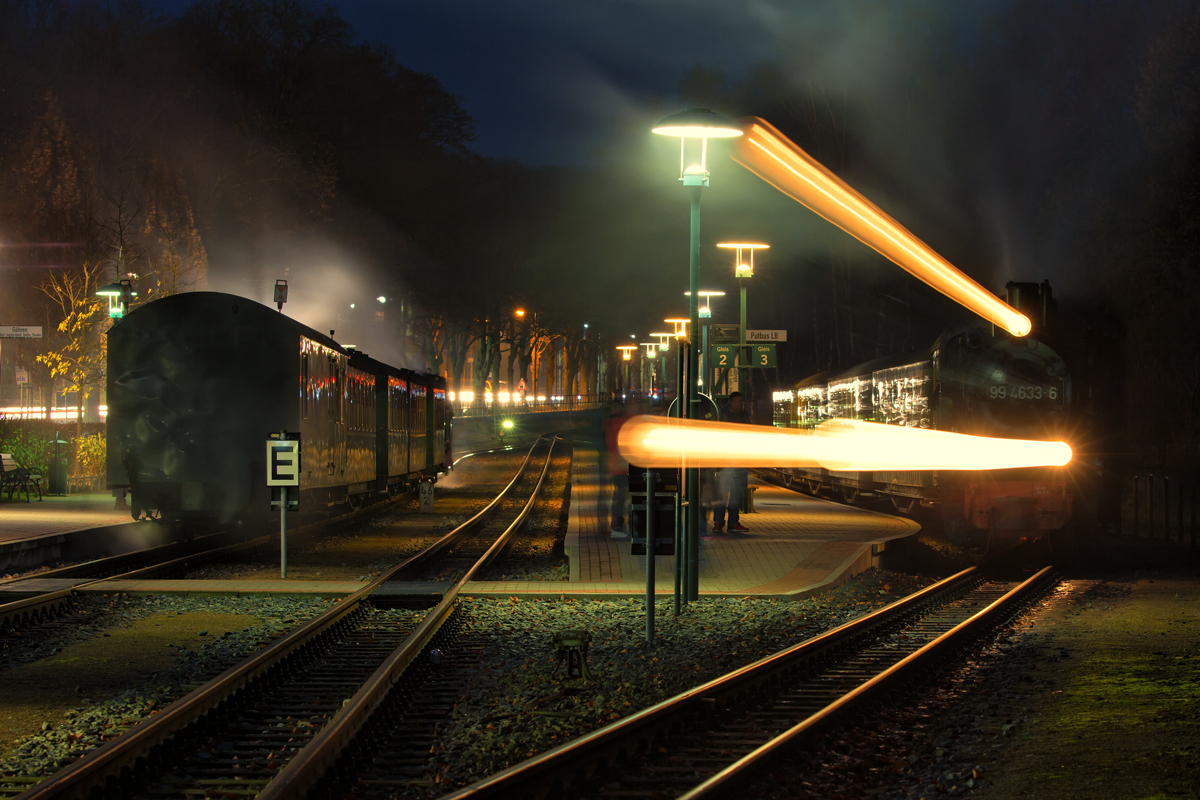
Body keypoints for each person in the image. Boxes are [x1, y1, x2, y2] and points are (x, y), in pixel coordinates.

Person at [712, 391, 751, 533]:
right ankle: (719, 522)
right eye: (737, 401)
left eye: (741, 401)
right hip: (725, 461)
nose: (739, 404)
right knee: (723, 493)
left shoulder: (745, 415)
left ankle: (732, 522)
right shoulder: (722, 415)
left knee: (736, 494)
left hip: (740, 460)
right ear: (730, 401)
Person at [602, 398, 633, 537]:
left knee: (619, 497)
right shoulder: (625, 422)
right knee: (629, 497)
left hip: (615, 465)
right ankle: (625, 526)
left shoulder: (609, 422)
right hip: (627, 465)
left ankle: (617, 526)